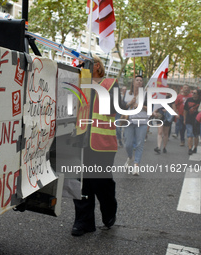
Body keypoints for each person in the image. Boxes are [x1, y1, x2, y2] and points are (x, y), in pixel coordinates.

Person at [71, 55, 118, 236]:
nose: (80, 66)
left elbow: (113, 109)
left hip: (103, 144)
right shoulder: (79, 83)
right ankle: (83, 222)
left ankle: (109, 212)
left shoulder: (110, 84)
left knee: (101, 183)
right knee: (82, 184)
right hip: (81, 142)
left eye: (84, 64)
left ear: (96, 66)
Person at [123, 75, 148, 176]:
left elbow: (150, 108)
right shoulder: (128, 94)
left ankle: (136, 165)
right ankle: (130, 157)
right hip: (130, 121)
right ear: (133, 82)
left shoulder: (146, 94)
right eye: (137, 80)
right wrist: (130, 103)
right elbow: (123, 106)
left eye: (141, 81)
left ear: (142, 83)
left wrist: (139, 106)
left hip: (142, 122)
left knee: (139, 144)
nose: (139, 82)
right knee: (128, 144)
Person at [184, 89, 201, 155]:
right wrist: (184, 119)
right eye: (192, 93)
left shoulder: (200, 101)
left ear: (198, 94)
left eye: (194, 93)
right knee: (190, 134)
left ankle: (195, 147)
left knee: (196, 135)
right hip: (189, 120)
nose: (193, 94)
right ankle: (189, 148)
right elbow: (185, 110)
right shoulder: (189, 100)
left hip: (197, 121)